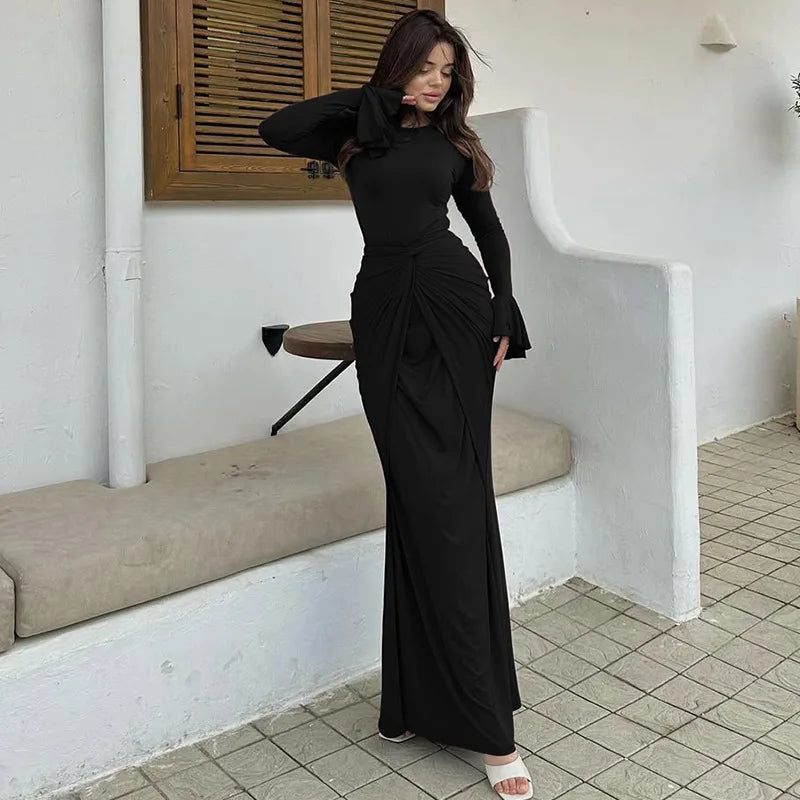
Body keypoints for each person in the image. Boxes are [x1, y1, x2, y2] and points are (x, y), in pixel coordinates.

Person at [258, 9, 532, 798]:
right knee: (414, 501)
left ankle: (489, 731)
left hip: (454, 311)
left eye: (448, 71)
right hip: (383, 313)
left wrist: (502, 310)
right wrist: (372, 100)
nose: (437, 82)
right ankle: (412, 699)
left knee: (456, 504)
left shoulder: (455, 147)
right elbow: (278, 127)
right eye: (425, 67)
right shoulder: (358, 134)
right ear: (398, 66)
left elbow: (490, 234)